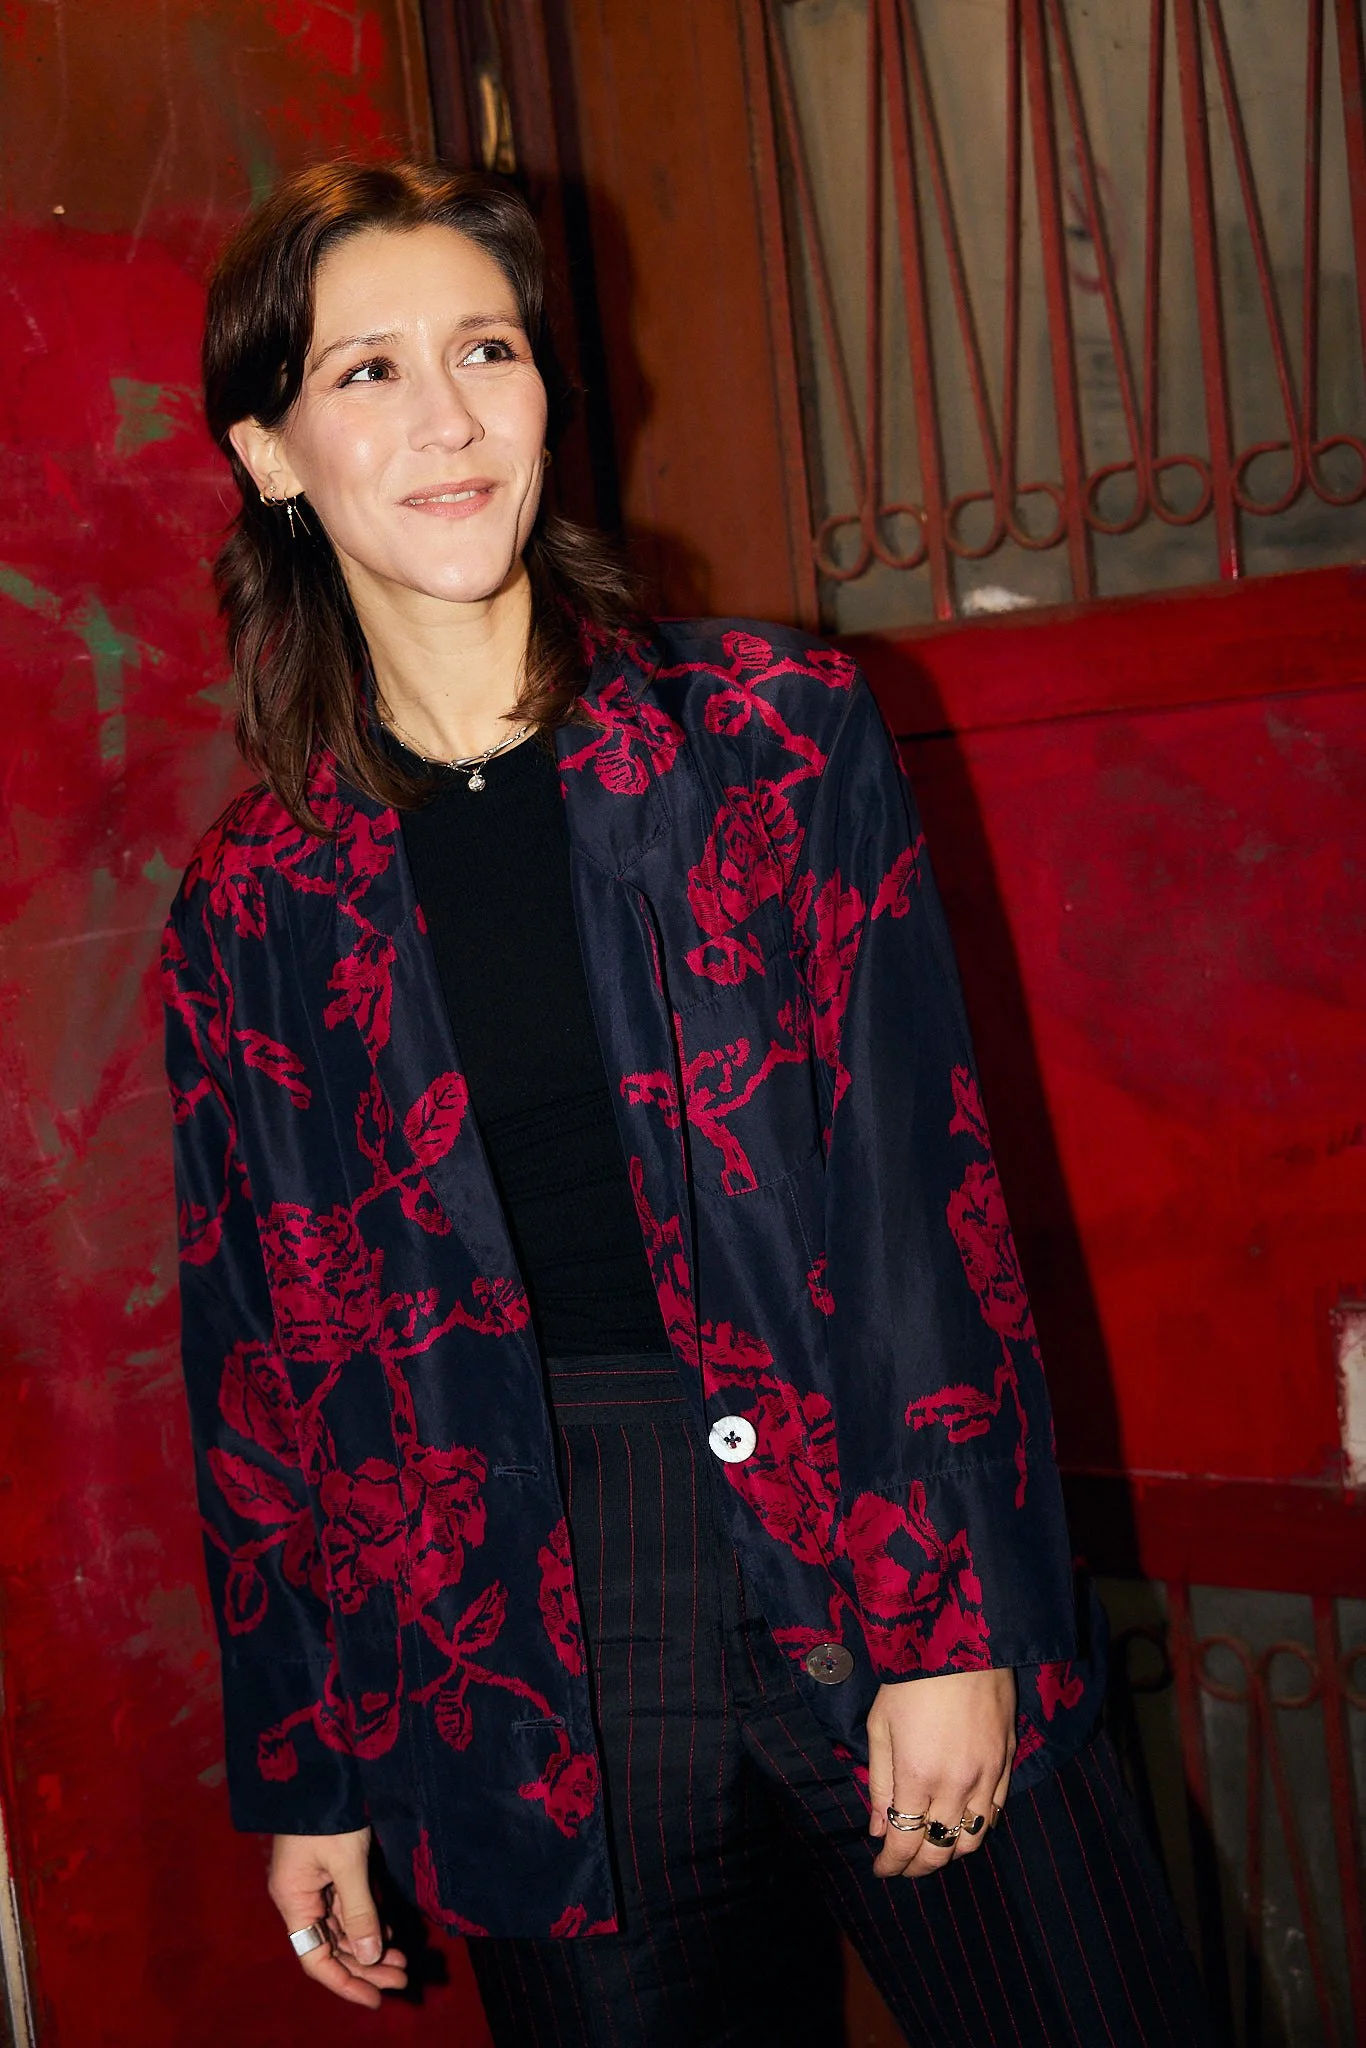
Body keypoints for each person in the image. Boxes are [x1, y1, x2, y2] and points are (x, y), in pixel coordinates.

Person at [163, 158, 1210, 2047]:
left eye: (486, 349)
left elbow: (916, 1189)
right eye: (367, 371)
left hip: (856, 1511)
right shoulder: (255, 903)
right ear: (269, 454)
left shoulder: (772, 737)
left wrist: (947, 1622)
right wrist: (312, 1765)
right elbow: (260, 1359)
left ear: (546, 392)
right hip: (516, 1624)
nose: (448, 417)